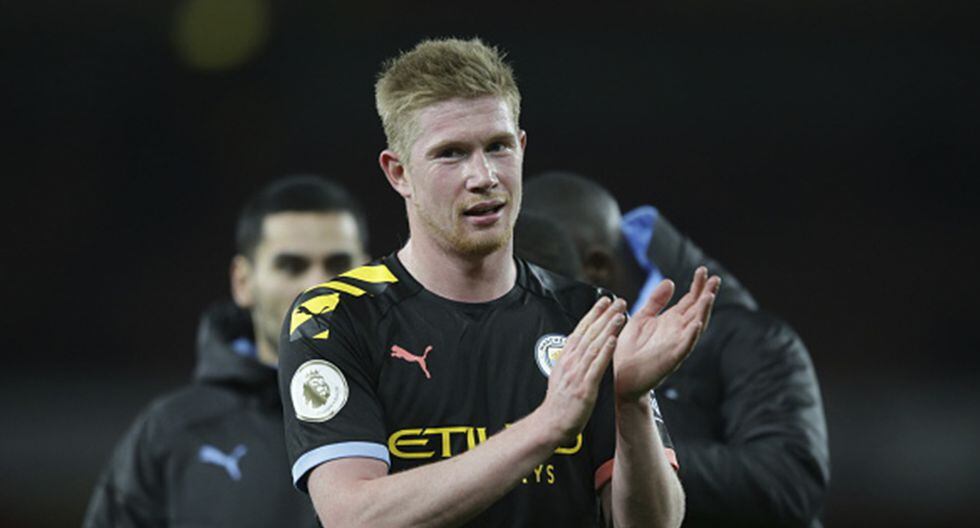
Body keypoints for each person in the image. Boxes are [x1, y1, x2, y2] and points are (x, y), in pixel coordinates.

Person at [277, 38, 721, 527]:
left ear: (522, 148)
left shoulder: (587, 316)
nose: (483, 176)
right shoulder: (336, 318)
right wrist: (545, 427)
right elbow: (354, 517)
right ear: (399, 172)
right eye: (451, 154)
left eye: (498, 146)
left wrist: (629, 405)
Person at [522, 171, 830, 527]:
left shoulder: (749, 338)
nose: (533, 297)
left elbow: (789, 482)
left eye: (545, 278)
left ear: (597, 267)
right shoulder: (552, 340)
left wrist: (631, 451)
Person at [84, 175, 370, 527]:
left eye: (338, 265)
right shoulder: (172, 433)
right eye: (291, 266)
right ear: (243, 281)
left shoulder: (415, 411)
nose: (316, 285)